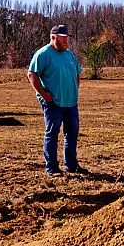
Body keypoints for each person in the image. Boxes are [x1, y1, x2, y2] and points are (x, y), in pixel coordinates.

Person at [27, 24, 85, 177]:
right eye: (62, 38)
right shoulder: (43, 54)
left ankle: (71, 165)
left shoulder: (69, 55)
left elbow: (77, 73)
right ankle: (52, 168)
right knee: (52, 132)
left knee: (72, 133)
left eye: (66, 38)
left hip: (70, 101)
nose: (66, 41)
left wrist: (74, 89)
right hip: (53, 102)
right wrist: (43, 94)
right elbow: (32, 74)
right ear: (53, 38)